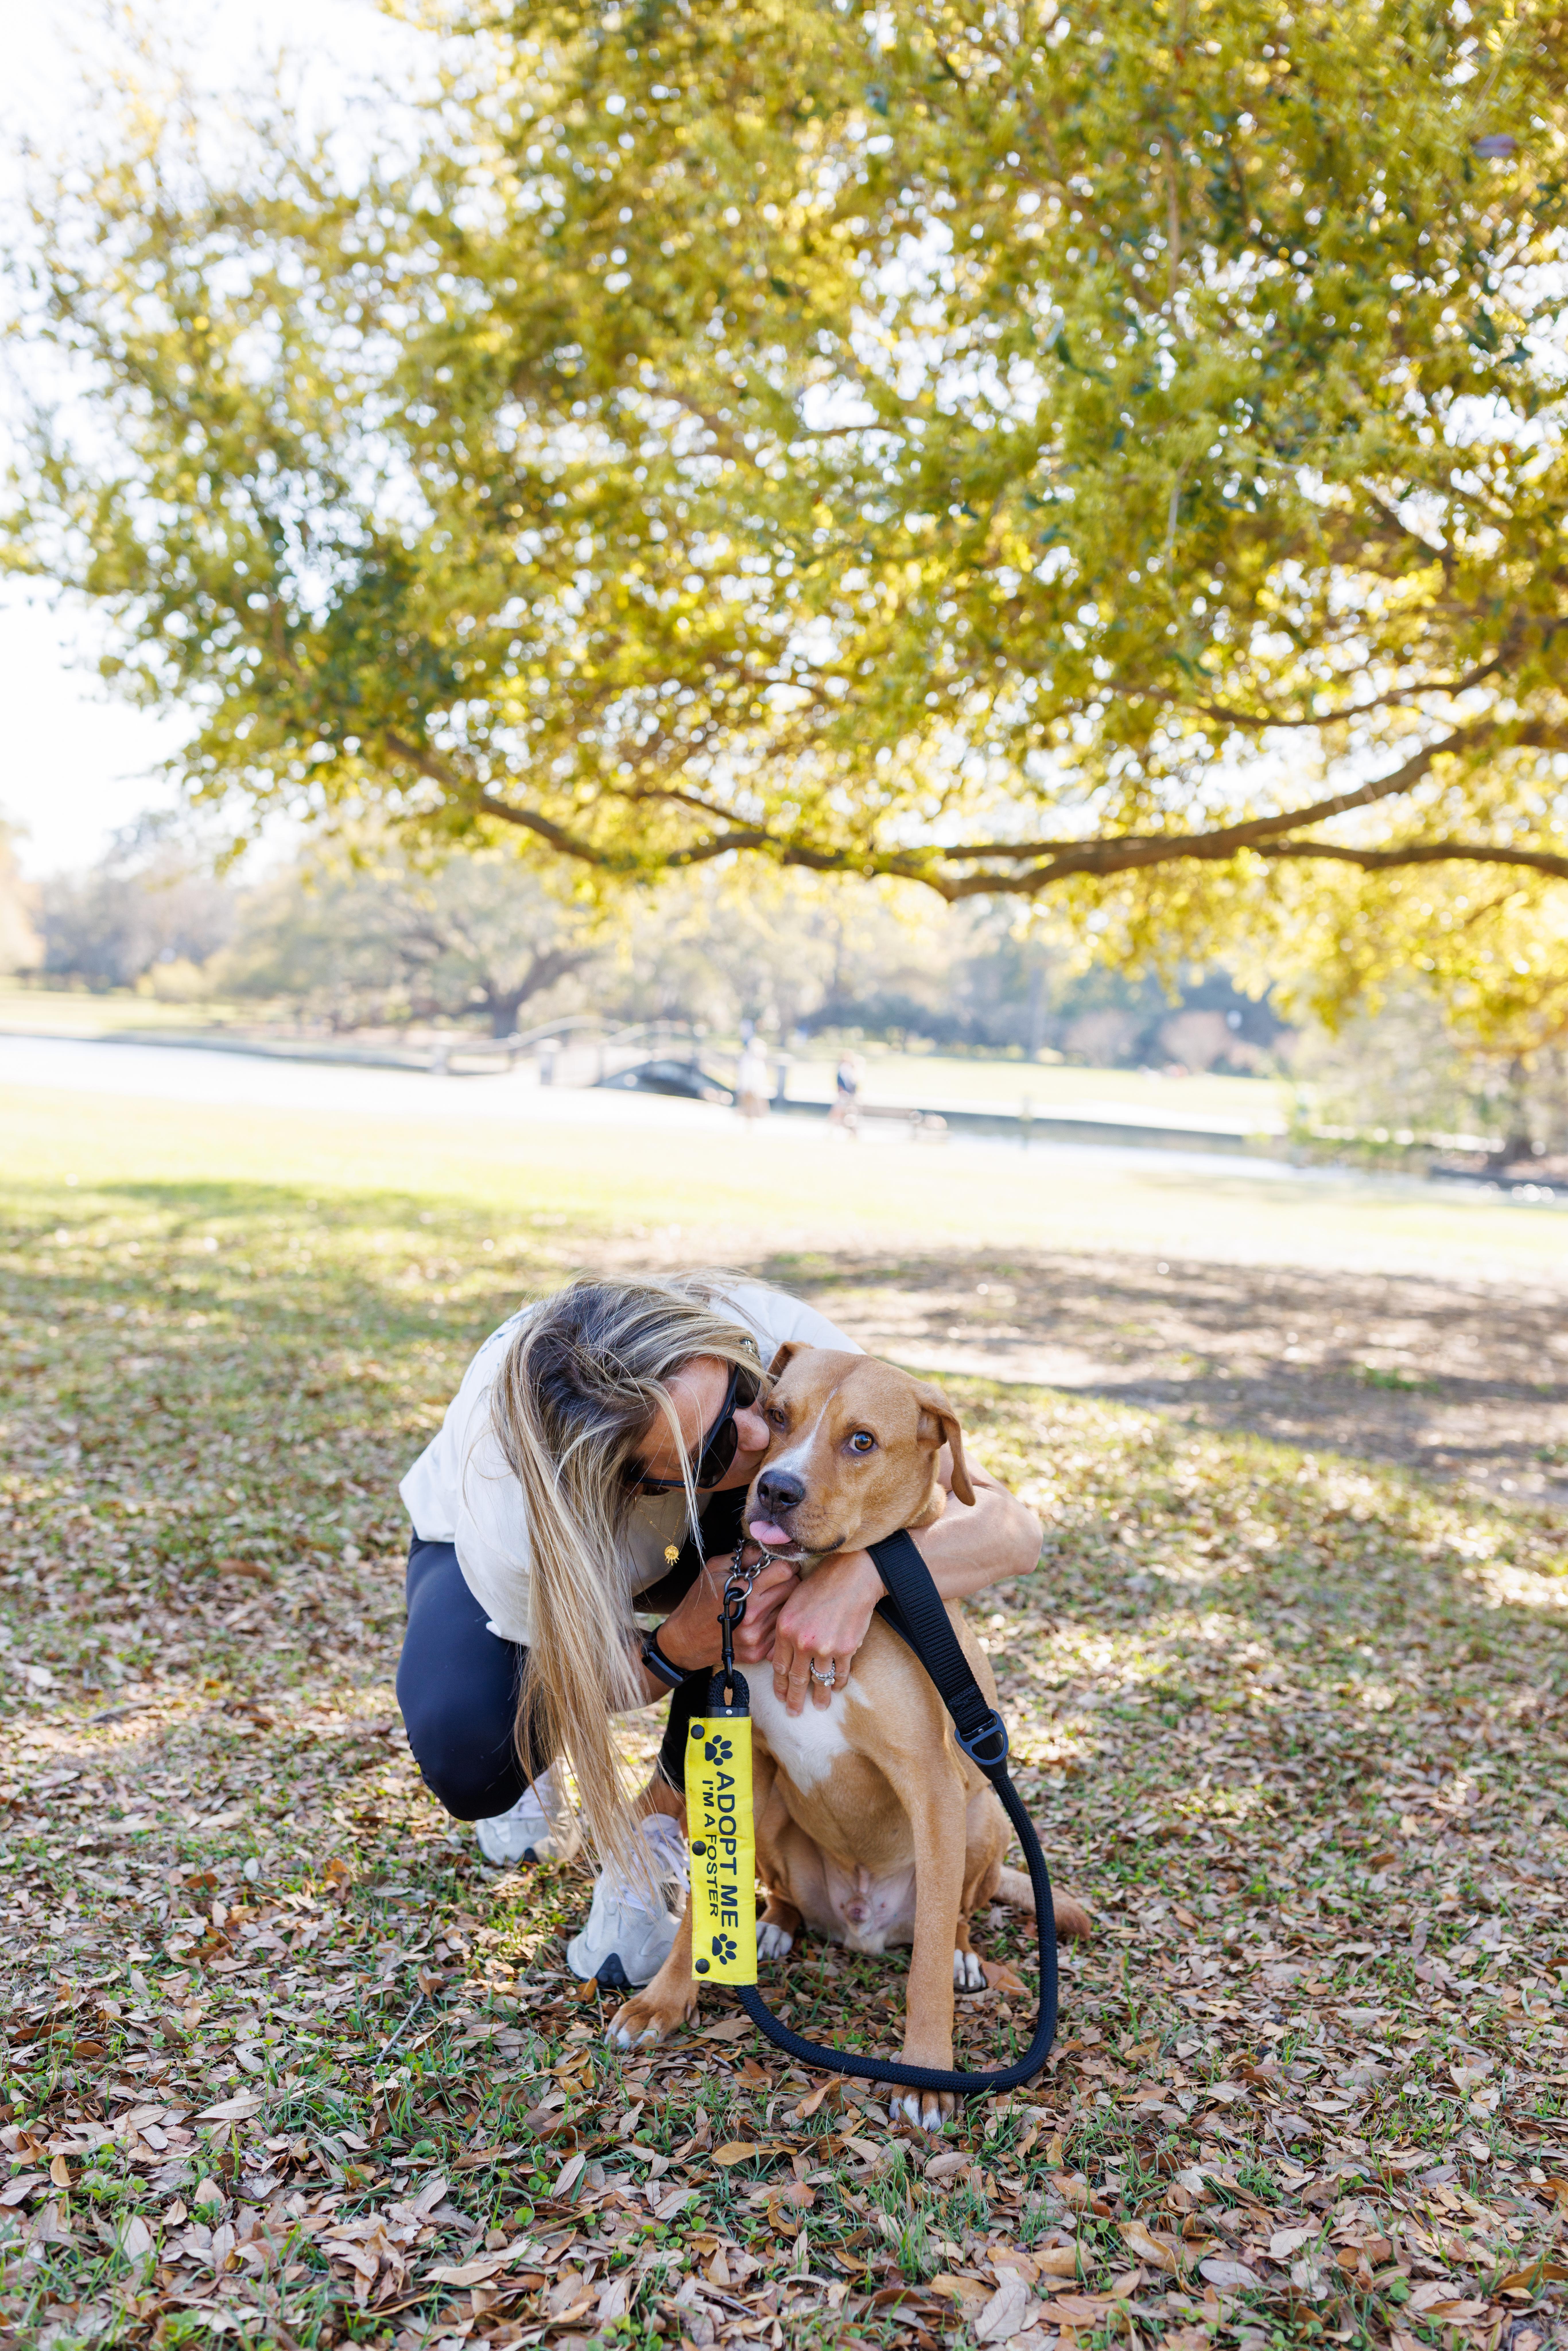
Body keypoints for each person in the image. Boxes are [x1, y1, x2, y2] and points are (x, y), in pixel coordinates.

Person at [396, 1272, 1042, 1989]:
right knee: (473, 1754)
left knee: (755, 1576)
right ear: (635, 1477)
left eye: (745, 1394)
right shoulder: (511, 1522)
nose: (764, 1436)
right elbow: (594, 1682)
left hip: (702, 1522)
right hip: (546, 1548)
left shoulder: (770, 1339)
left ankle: (663, 1820)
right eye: (708, 1449)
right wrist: (677, 1648)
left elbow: (1007, 1529)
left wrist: (859, 1576)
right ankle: (574, 1796)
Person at [736, 1035, 771, 1122]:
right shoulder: (749, 1061)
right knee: (748, 1109)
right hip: (749, 1088)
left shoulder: (758, 1063)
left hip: (755, 1089)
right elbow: (746, 1076)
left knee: (756, 1111)